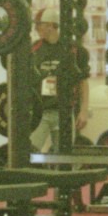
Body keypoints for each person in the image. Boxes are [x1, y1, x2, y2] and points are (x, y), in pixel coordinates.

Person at [30, 9, 90, 152]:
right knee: (29, 152)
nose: (36, 28)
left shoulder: (73, 50)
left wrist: (83, 111)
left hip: (64, 113)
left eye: (39, 24)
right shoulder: (34, 49)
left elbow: (83, 82)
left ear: (50, 25)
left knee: (64, 156)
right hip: (40, 113)